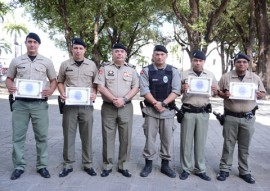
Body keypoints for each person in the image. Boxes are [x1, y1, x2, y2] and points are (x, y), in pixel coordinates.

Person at [5, 32, 57, 180]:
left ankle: (42, 166)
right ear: (26, 43)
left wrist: (51, 90)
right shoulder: (16, 61)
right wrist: (10, 87)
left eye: (35, 42)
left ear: (39, 44)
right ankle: (19, 166)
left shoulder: (46, 62)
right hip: (20, 104)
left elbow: (53, 80)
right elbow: (9, 78)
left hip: (39, 104)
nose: (32, 44)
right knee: (18, 137)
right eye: (29, 42)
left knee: (42, 136)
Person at [216, 53, 266, 184]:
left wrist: (260, 95)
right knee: (228, 144)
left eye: (244, 62)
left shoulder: (254, 78)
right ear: (235, 63)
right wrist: (224, 95)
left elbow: (262, 93)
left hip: (248, 118)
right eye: (239, 62)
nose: (241, 64)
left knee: (245, 146)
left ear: (248, 64)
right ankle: (224, 169)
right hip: (231, 117)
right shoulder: (226, 77)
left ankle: (244, 171)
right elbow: (217, 91)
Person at [94, 43, 139, 177]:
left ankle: (123, 165)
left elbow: (135, 87)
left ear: (125, 54)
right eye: (116, 51)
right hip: (109, 107)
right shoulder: (104, 68)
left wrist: (123, 99)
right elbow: (100, 87)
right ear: (112, 54)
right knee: (108, 136)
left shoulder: (131, 70)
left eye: (122, 51)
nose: (119, 53)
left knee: (126, 137)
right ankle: (107, 165)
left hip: (126, 107)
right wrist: (114, 99)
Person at [57, 38, 98, 177]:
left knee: (87, 136)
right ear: (72, 49)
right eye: (75, 48)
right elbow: (60, 81)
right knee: (68, 135)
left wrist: (94, 94)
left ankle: (88, 164)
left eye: (81, 48)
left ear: (85, 50)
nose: (78, 51)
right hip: (70, 106)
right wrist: (62, 92)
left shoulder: (92, 65)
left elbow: (96, 84)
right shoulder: (65, 64)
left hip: (86, 107)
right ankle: (68, 164)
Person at [139, 45, 181, 178]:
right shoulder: (146, 70)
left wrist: (163, 103)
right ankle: (148, 164)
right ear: (153, 55)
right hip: (151, 111)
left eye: (162, 54)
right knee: (150, 139)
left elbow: (176, 90)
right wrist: (155, 103)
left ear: (166, 56)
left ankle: (165, 165)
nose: (159, 57)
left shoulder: (173, 71)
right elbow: (144, 90)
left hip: (167, 111)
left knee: (167, 139)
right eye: (157, 54)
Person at [179, 50, 218, 181]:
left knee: (201, 142)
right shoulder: (184, 74)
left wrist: (215, 90)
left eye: (200, 60)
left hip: (203, 112)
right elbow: (176, 91)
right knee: (186, 142)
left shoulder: (210, 75)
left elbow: (216, 92)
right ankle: (185, 169)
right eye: (195, 60)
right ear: (192, 61)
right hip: (188, 111)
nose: (197, 63)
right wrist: (182, 88)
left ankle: (200, 169)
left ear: (204, 62)